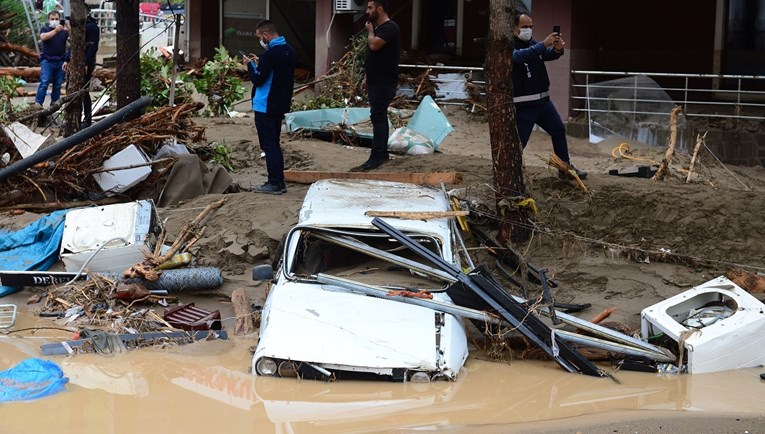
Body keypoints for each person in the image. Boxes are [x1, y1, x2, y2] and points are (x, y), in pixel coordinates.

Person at [512, 13, 587, 179]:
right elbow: (519, 57)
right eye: (525, 27)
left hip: (544, 103)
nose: (528, 30)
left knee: (558, 130)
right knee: (520, 143)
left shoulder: (532, 44)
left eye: (531, 26)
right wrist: (543, 45)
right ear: (514, 28)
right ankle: (510, 173)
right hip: (524, 106)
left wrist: (557, 50)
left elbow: (546, 54)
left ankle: (564, 168)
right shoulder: (510, 46)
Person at [245, 20, 296, 194]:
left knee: (269, 145)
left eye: (260, 37)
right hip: (280, 104)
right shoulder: (289, 50)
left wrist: (250, 66)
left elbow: (258, 79)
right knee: (274, 143)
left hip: (265, 105)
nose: (261, 41)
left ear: (266, 35)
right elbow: (276, 74)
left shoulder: (271, 55)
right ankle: (278, 181)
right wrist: (261, 65)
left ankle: (275, 182)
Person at [351, 0, 400, 172]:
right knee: (377, 116)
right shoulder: (379, 29)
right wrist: (366, 76)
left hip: (384, 82)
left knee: (378, 116)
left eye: (370, 8)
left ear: (380, 9)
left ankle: (378, 156)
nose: (367, 11)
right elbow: (374, 57)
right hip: (375, 80)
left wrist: (370, 31)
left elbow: (374, 45)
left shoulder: (389, 28)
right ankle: (380, 154)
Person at [35, 10, 69, 108]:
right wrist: (55, 31)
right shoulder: (45, 29)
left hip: (61, 61)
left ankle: (54, 103)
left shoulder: (63, 32)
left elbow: (71, 39)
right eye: (52, 19)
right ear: (48, 20)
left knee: (58, 84)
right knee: (45, 81)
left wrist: (67, 25)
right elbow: (43, 37)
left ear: (60, 20)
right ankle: (38, 102)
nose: (54, 21)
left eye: (56, 19)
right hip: (47, 61)